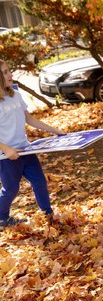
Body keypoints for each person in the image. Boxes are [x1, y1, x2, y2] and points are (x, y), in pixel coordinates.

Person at [0, 60, 65, 228]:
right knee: (11, 190)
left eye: (9, 71)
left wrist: (55, 130)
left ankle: (48, 216)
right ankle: (2, 218)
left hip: (26, 150)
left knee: (39, 182)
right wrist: (7, 149)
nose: (10, 74)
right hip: (7, 157)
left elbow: (29, 119)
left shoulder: (15, 94)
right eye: (5, 72)